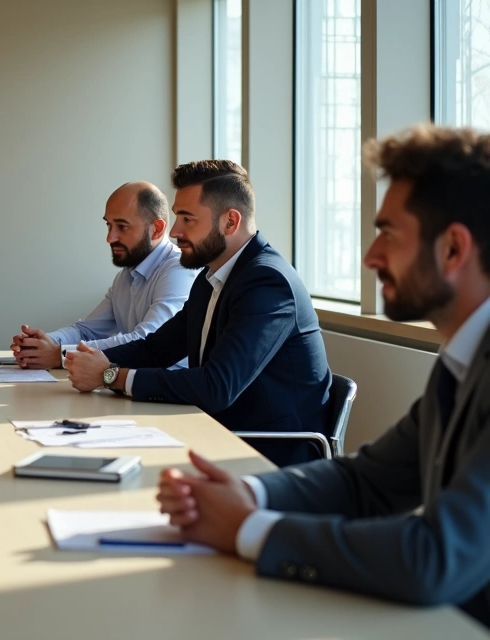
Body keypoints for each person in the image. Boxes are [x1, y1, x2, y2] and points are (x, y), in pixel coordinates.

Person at [156, 125, 490, 627]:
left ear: (453, 250)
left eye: (389, 234)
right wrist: (250, 494)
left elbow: (433, 559)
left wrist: (250, 529)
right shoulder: (464, 360)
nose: (371, 257)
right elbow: (365, 481)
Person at [65, 160, 331, 467]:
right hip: (217, 433)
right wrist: (90, 361)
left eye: (187, 219)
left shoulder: (267, 283)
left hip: (268, 454)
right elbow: (157, 348)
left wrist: (111, 376)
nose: (175, 231)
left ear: (230, 222)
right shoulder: (212, 277)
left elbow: (217, 386)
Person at [10, 182, 196, 369]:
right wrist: (40, 344)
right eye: (109, 225)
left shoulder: (179, 269)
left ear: (156, 229)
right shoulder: (126, 275)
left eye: (122, 227)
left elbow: (147, 339)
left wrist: (60, 354)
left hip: (167, 393)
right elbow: (87, 331)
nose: (110, 237)